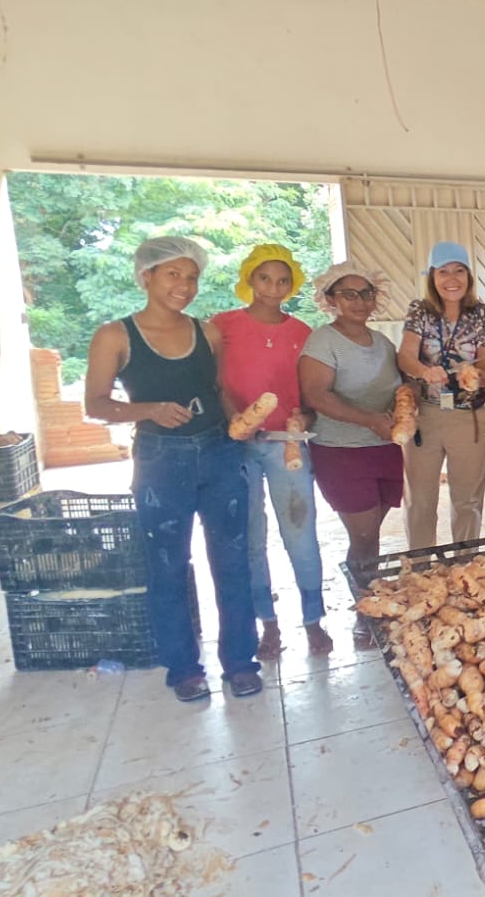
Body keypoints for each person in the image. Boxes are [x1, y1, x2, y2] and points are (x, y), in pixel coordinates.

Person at [83, 236, 262, 702]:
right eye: (173, 274)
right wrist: (150, 410)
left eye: (192, 276)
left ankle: (241, 663)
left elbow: (219, 390)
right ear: (146, 276)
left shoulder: (208, 333)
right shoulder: (115, 336)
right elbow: (96, 404)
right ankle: (184, 669)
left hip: (220, 452)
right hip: (160, 461)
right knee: (168, 566)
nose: (185, 285)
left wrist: (241, 424)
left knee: (233, 560)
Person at [211, 244, 330, 659]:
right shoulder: (222, 326)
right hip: (237, 444)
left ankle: (314, 619)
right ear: (249, 278)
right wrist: (235, 418)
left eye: (282, 281)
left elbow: (310, 390)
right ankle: (268, 623)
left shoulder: (302, 332)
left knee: (300, 534)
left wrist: (305, 416)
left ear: (292, 285)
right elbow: (216, 383)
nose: (273, 288)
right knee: (250, 538)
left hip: (286, 444)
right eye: (265, 278)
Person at [297, 261, 402, 648]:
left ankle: (371, 602)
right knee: (363, 536)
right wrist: (370, 420)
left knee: (371, 535)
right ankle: (365, 615)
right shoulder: (323, 342)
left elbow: (399, 387)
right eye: (348, 294)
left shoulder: (382, 343)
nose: (359, 301)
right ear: (331, 300)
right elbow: (316, 396)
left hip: (385, 449)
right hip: (342, 452)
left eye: (366, 293)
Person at [397, 242, 485, 549]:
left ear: (469, 276)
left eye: (459, 271)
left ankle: (464, 564)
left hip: (468, 417)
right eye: (443, 272)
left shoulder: (483, 314)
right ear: (432, 276)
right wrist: (423, 370)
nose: (452, 279)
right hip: (425, 415)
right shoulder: (420, 310)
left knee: (467, 501)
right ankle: (419, 566)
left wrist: (474, 376)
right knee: (419, 500)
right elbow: (405, 357)